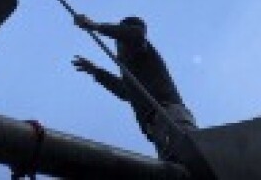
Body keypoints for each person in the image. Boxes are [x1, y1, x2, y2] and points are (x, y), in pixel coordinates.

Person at [72, 14, 196, 154]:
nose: (118, 47)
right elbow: (125, 92)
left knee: (192, 154)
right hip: (155, 127)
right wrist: (96, 72)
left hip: (168, 113)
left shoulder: (142, 49)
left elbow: (135, 34)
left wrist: (96, 26)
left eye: (120, 40)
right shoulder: (132, 71)